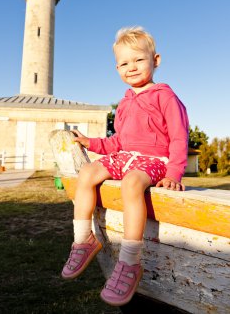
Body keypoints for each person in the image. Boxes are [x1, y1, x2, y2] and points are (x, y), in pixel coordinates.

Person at [61, 26, 189, 306]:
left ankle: (130, 261)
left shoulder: (164, 96)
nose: (131, 67)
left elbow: (180, 136)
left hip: (154, 161)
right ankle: (83, 240)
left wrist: (173, 173)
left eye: (139, 60)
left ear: (155, 60)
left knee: (132, 183)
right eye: (124, 63)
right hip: (126, 156)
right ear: (117, 67)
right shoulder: (126, 101)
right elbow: (118, 140)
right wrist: (90, 143)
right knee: (87, 173)